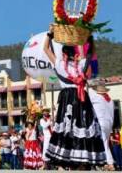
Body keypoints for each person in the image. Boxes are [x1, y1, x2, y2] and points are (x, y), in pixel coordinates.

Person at [43, 30, 106, 168]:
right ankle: (82, 163)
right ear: (74, 54)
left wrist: (50, 34)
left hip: (67, 100)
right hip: (81, 98)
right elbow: (90, 52)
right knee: (82, 128)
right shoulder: (81, 64)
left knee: (67, 129)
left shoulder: (60, 64)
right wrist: (89, 39)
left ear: (64, 54)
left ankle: (65, 164)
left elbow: (45, 49)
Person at [89, 84, 115, 170]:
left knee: (103, 143)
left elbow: (87, 96)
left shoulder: (96, 97)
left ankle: (109, 163)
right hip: (109, 124)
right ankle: (103, 162)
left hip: (101, 123)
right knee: (104, 143)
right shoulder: (110, 100)